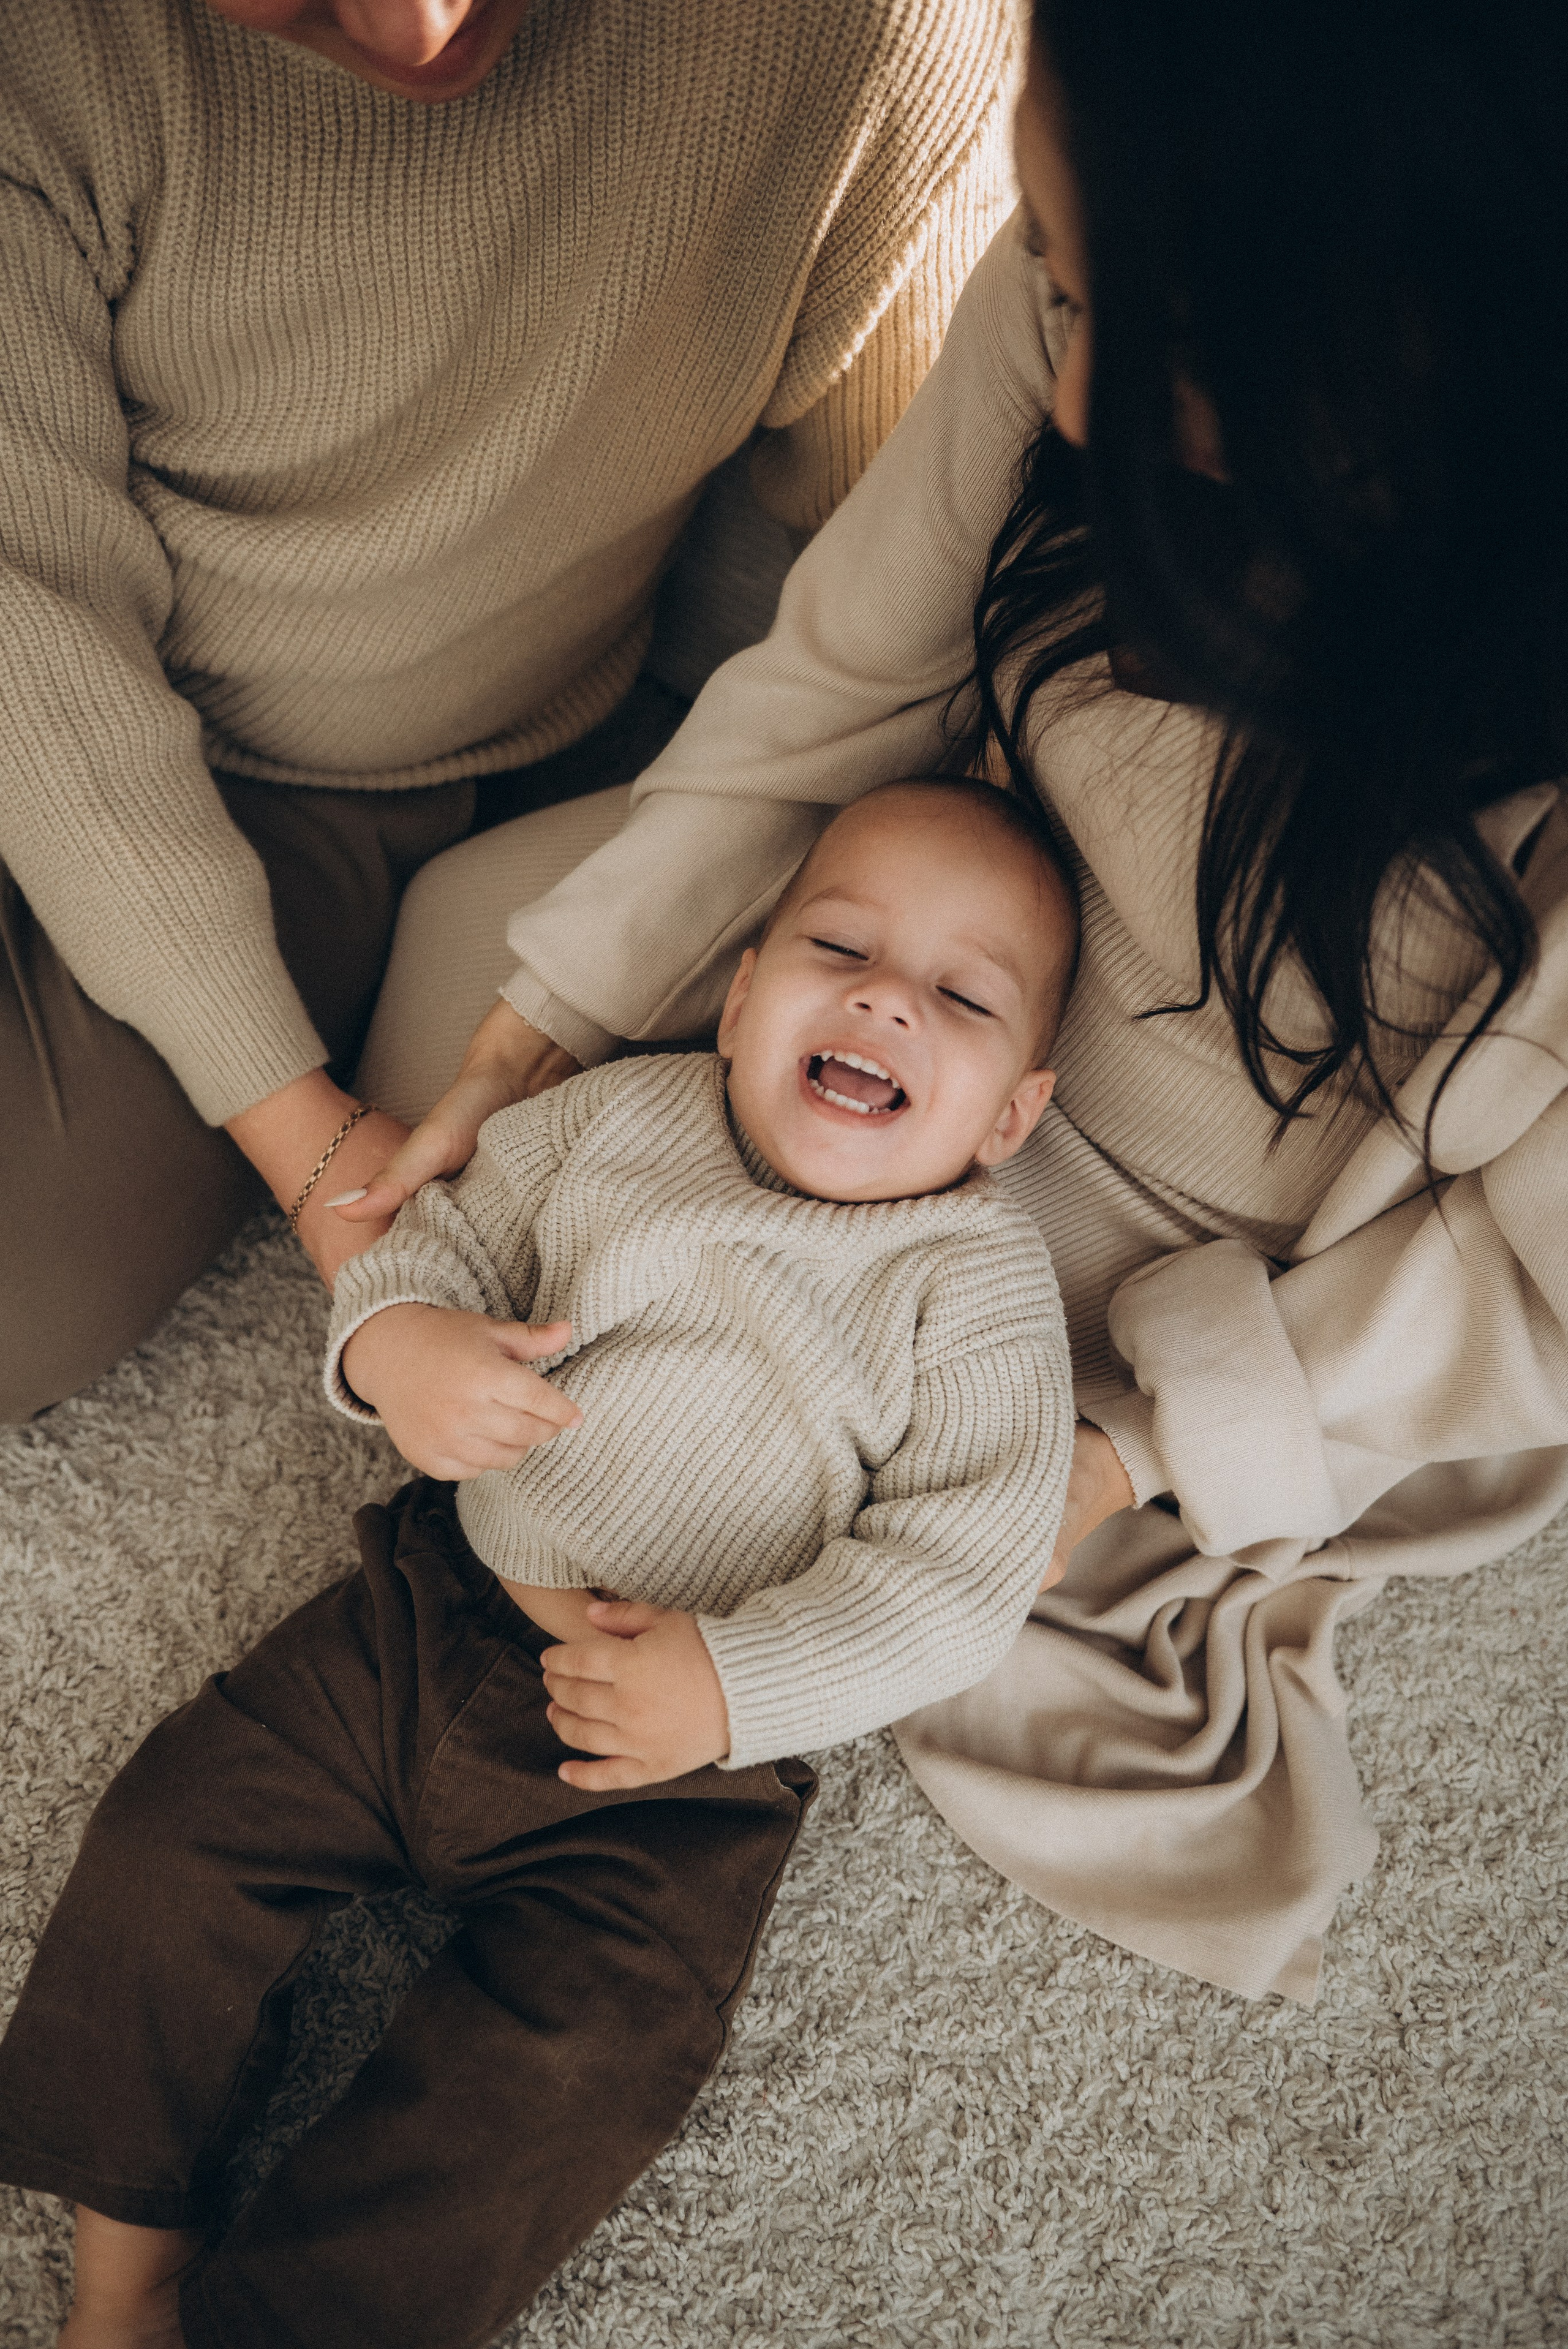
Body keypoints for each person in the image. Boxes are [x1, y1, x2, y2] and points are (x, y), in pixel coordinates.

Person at [346, 0, 1568, 2005]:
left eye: (1151, 329)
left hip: (1256, 1239)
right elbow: (844, 673)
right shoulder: (1114, 211)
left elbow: (1528, 1288)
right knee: (454, 1025)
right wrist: (535, 1040)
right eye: (1061, 288)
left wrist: (1105, 1455)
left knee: (931, 1601)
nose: (1075, 401)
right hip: (950, 966)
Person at [0, 780, 1079, 2349]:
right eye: (836, 943)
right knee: (171, 1846)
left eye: (959, 994)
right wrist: (403, 1347)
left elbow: (962, 1571)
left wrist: (729, 1682)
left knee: (569, 2080)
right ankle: (125, 2275)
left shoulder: (974, 1288)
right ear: (733, 1000)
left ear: (1009, 1116)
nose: (881, 995)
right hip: (422, 1624)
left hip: (673, 1786)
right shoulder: (614, 1120)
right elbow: (436, 1237)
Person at [0, 0, 1020, 1422]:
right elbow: (33, 649)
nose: (415, 28)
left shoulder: (869, 39)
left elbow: (869, 597)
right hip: (61, 669)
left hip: (326, 772)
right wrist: (307, 1146)